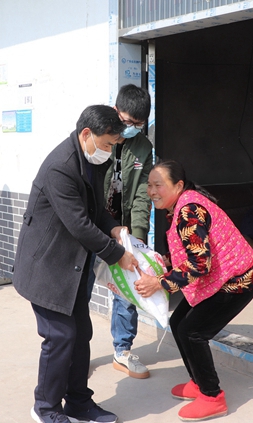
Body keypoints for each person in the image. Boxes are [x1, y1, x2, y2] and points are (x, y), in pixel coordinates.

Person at [13, 105, 139, 423]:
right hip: (47, 265)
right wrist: (117, 254)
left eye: (113, 145)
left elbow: (95, 210)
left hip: (72, 266)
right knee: (60, 336)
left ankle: (79, 402)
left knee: (81, 334)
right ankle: (45, 407)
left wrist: (114, 227)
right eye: (107, 143)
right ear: (86, 134)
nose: (109, 150)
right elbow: (79, 224)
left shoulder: (92, 160)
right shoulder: (62, 167)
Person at [135, 160, 253, 422]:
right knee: (178, 322)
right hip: (220, 278)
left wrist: (159, 282)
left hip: (236, 282)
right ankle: (198, 382)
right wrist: (163, 263)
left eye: (159, 185)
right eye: (149, 185)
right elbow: (191, 251)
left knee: (192, 332)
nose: (152, 191)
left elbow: (199, 264)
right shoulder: (184, 204)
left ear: (178, 185)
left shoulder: (188, 211)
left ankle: (212, 396)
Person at [103, 84, 153, 379]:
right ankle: (72, 352)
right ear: (115, 111)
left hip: (123, 230)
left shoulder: (143, 147)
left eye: (138, 124)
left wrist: (138, 237)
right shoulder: (98, 135)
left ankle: (122, 351)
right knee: (78, 289)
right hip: (93, 226)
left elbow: (142, 195)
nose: (131, 128)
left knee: (126, 292)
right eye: (127, 121)